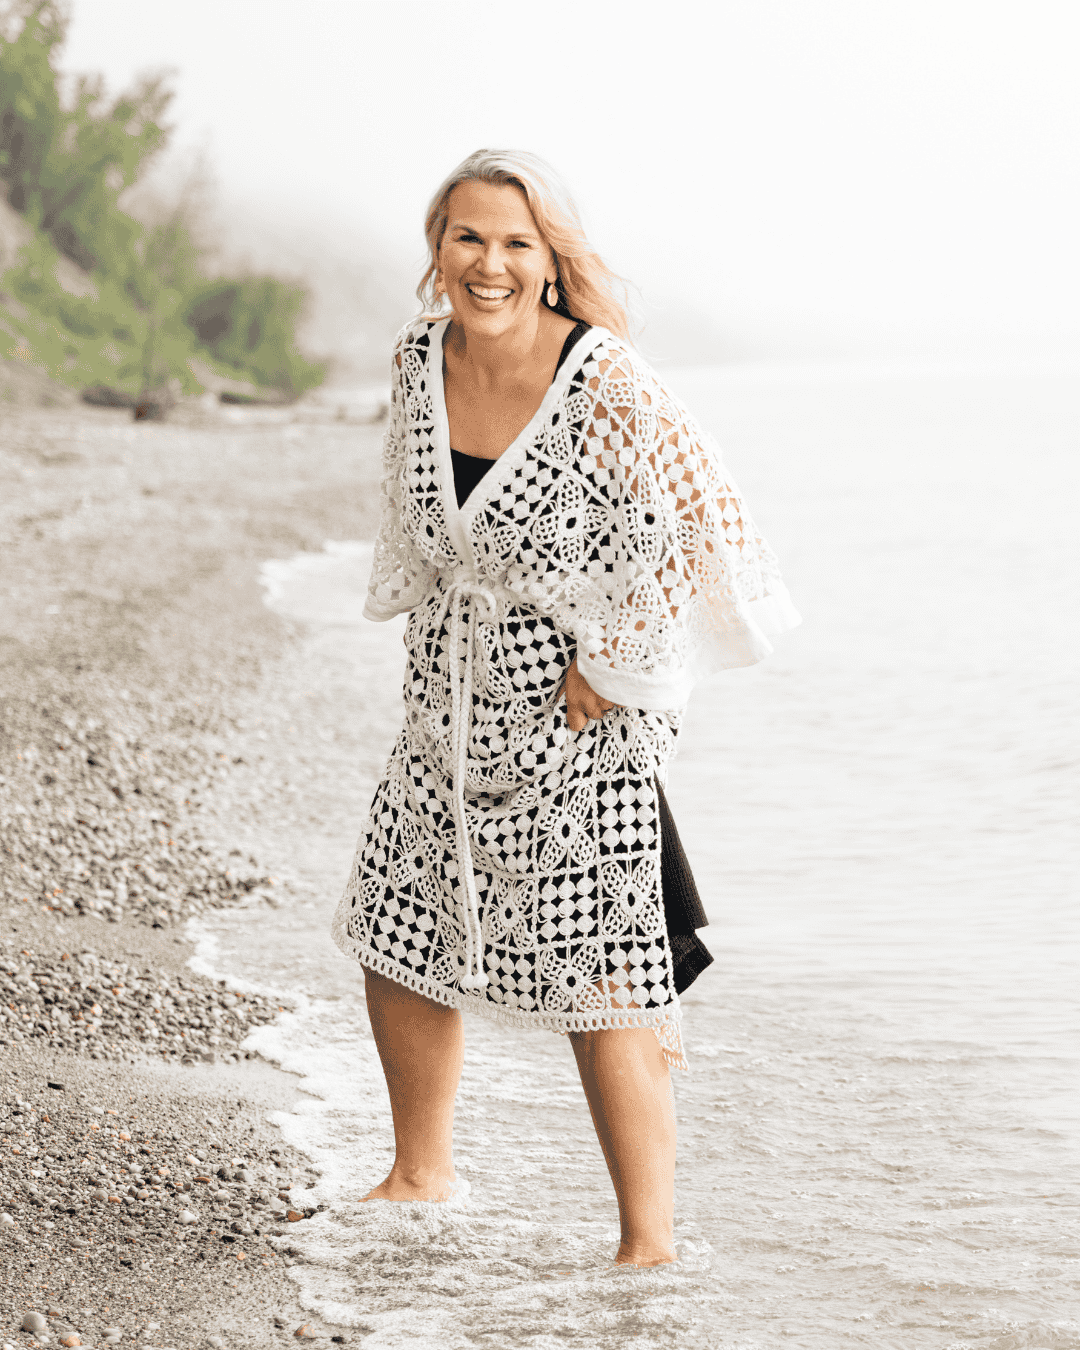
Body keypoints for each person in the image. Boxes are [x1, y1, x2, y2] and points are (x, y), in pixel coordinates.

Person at [331, 148, 800, 1267]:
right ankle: (420, 1173)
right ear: (437, 248)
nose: (488, 264)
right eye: (467, 237)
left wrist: (617, 660)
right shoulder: (418, 356)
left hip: (579, 716)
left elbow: (702, 526)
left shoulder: (607, 381)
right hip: (444, 699)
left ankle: (649, 1246)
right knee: (399, 918)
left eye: (515, 243)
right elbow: (420, 511)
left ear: (551, 262)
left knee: (605, 966)